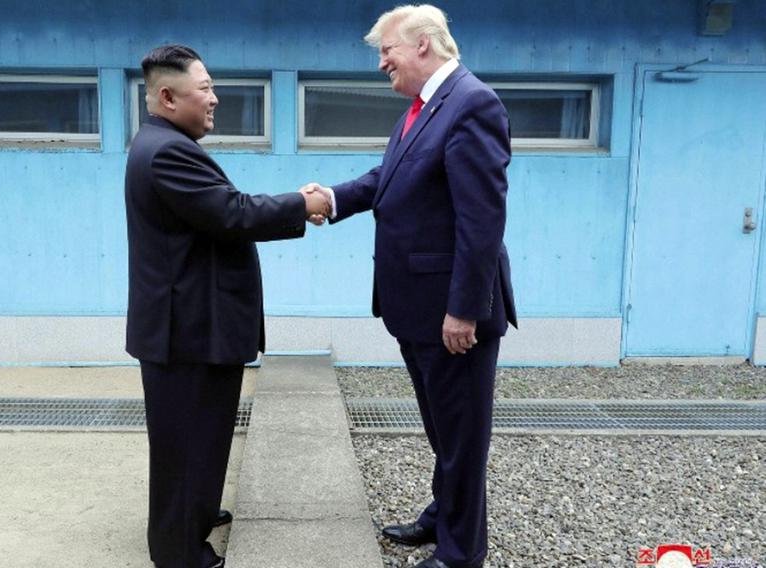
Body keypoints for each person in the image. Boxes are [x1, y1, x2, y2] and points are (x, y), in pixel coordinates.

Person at [305, 5, 516, 568]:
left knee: (462, 438)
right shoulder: (422, 109)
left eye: (386, 50)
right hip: (417, 308)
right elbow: (387, 179)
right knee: (442, 427)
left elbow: (482, 220)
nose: (382, 63)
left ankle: (461, 553)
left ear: (423, 44)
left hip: (452, 313)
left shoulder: (472, 104)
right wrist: (333, 197)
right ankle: (442, 515)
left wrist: (465, 311)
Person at [124, 44, 330, 568]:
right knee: (184, 445)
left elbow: (220, 214)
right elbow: (231, 213)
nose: (215, 99)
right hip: (185, 330)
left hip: (196, 324)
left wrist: (290, 203)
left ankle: (196, 512)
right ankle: (177, 551)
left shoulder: (165, 143)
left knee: (205, 433)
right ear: (167, 97)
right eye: (205, 89)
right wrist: (301, 205)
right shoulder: (166, 151)